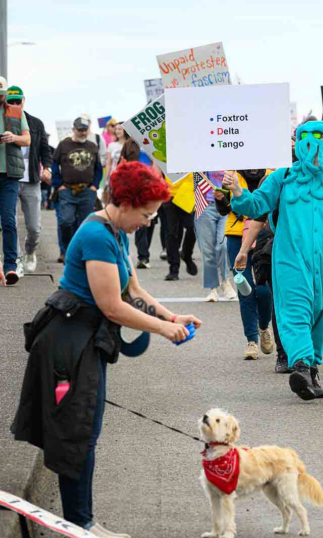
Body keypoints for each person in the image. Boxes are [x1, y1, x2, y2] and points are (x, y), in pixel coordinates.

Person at [11, 161, 202, 537]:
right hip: (68, 343)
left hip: (84, 338)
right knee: (76, 433)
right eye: (146, 214)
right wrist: (164, 329)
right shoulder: (97, 235)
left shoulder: (115, 232)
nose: (148, 222)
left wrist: (173, 316)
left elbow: (135, 291)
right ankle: (80, 524)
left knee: (83, 431)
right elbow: (112, 306)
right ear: (126, 202)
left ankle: (81, 522)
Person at [225, 121, 323, 401]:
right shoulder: (283, 177)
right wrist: (237, 191)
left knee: (320, 313)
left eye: (318, 136)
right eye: (304, 136)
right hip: (289, 257)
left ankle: (311, 370)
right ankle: (300, 363)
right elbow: (256, 207)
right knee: (294, 309)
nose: (310, 141)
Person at [215, 169, 277, 360]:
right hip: (236, 236)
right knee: (244, 288)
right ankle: (251, 340)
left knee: (264, 290)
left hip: (263, 234)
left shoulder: (272, 174)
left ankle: (264, 326)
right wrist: (220, 198)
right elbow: (224, 210)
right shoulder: (230, 175)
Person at [6, 86, 51, 275]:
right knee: (10, 222)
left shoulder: (35, 123)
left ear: (23, 101)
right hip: (8, 178)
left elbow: (44, 149)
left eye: (18, 101)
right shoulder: (2, 120)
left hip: (31, 178)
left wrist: (47, 168)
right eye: (11, 101)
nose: (15, 105)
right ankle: (15, 259)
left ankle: (30, 251)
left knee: (34, 226)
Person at [51, 117, 102, 257]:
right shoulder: (63, 145)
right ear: (73, 130)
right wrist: (58, 185)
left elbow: (98, 168)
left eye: (85, 130)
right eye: (80, 130)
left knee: (85, 224)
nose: (82, 133)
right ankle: (66, 251)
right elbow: (54, 165)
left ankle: (81, 253)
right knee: (66, 221)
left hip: (87, 190)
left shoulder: (92, 146)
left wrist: (95, 186)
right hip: (67, 190)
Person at [0, 77, 32, 285]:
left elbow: (27, 140)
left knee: (8, 220)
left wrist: (14, 138)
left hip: (9, 175)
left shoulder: (14, 112)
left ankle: (10, 266)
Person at [197, 171, 237, 302]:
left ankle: (225, 281)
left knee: (223, 245)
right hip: (205, 205)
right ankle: (212, 287)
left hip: (226, 205)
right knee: (207, 251)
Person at [163, 173, 198, 281]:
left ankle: (186, 255)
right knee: (172, 233)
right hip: (171, 194)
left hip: (189, 193)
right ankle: (173, 269)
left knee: (193, 228)